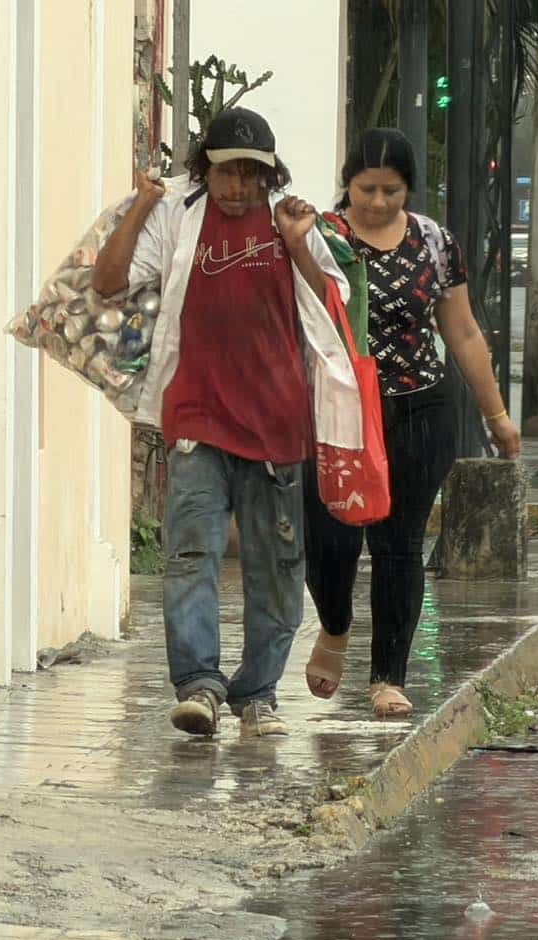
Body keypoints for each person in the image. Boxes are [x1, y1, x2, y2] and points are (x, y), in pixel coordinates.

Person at [92, 107, 357, 739]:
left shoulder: (289, 223)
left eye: (250, 175)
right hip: (197, 419)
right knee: (190, 557)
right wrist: (141, 204)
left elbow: (333, 309)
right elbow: (107, 283)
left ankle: (259, 693)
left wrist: (298, 247)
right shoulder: (178, 217)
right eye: (224, 173)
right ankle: (199, 686)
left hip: (276, 428)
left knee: (276, 567)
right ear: (202, 171)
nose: (237, 187)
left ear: (270, 176)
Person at [303, 128, 522, 718]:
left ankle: (388, 677)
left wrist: (495, 413)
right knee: (331, 542)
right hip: (337, 413)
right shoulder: (318, 237)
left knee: (399, 544)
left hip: (420, 405)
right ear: (347, 182)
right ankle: (335, 625)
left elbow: (464, 330)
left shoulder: (434, 242)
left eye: (391, 191)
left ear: (409, 190)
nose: (377, 203)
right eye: (366, 189)